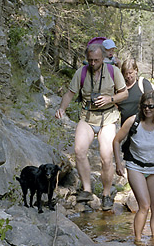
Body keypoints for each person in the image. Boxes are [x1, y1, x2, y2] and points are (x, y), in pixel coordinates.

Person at [55, 43, 128, 211]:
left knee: (106, 157)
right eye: (90, 60)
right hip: (87, 117)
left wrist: (110, 99)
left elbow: (125, 93)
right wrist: (61, 108)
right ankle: (87, 190)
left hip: (108, 118)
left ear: (103, 58)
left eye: (96, 60)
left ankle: (106, 194)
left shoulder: (113, 72)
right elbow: (69, 94)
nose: (93, 63)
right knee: (79, 151)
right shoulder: (81, 73)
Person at [113, 91, 154, 243]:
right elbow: (116, 141)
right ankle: (138, 241)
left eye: (151, 106)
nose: (147, 109)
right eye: (144, 106)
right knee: (144, 205)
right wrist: (119, 163)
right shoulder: (133, 121)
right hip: (135, 167)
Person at [118, 58, 153, 124]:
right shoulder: (120, 87)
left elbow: (152, 102)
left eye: (130, 73)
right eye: (126, 74)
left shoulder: (143, 84)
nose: (128, 76)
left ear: (136, 70)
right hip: (124, 127)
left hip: (141, 125)